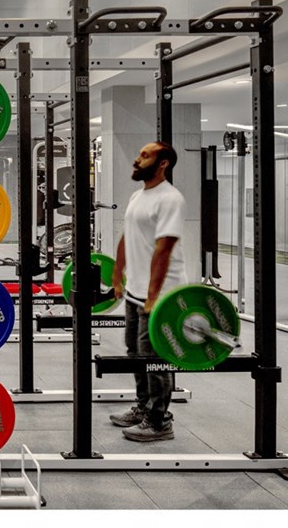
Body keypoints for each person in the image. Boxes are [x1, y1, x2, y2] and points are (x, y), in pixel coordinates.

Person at [109, 141, 187, 442]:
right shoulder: (138, 196)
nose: (137, 159)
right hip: (135, 290)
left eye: (145, 155)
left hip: (161, 295)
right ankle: (143, 408)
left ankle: (159, 420)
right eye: (139, 153)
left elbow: (163, 250)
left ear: (163, 163)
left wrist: (154, 297)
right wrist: (117, 276)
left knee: (155, 358)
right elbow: (126, 237)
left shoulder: (170, 199)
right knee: (135, 352)